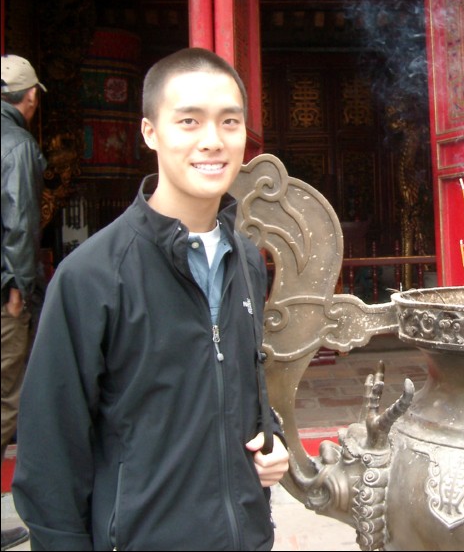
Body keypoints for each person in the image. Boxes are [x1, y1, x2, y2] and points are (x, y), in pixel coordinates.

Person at [12, 47, 289, 550]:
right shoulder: (91, 277)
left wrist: (272, 440)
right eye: (189, 121)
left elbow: (239, 382)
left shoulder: (246, 260)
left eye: (230, 122)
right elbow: (49, 454)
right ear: (149, 132)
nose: (213, 141)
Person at [1, 54, 48, 552]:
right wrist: (18, 288)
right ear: (30, 97)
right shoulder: (16, 145)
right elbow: (18, 221)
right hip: (2, 293)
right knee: (5, 399)